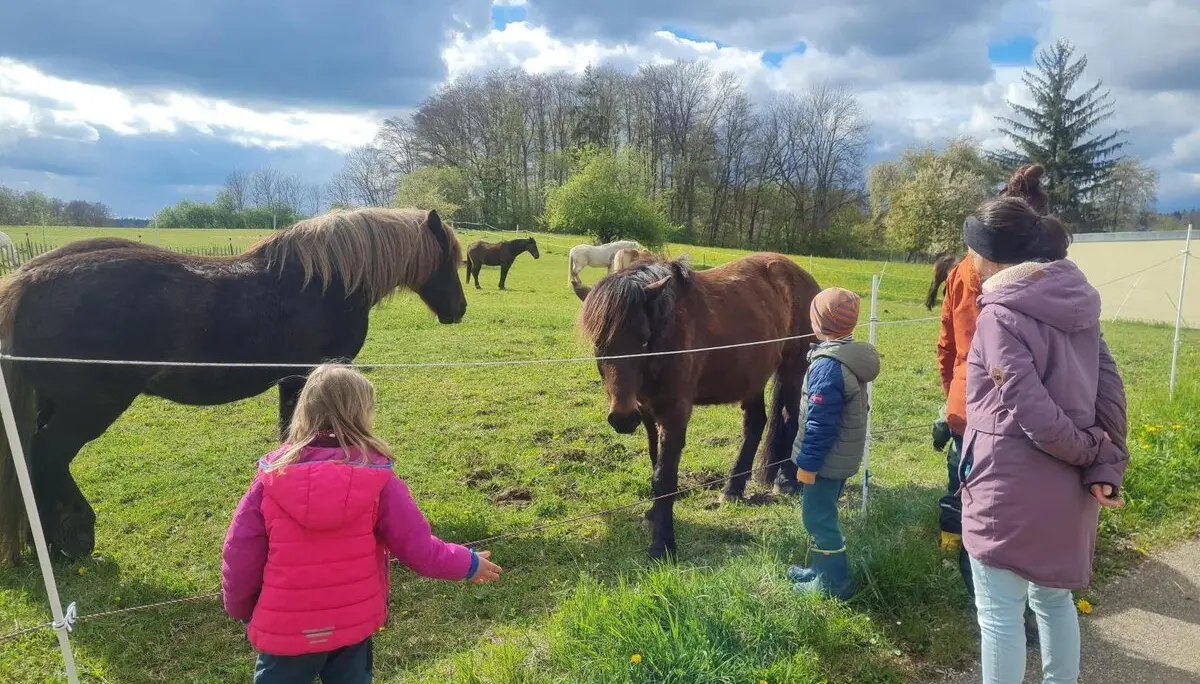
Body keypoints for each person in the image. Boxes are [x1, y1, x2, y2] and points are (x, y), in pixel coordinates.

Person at [221, 364, 502, 684]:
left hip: (285, 631)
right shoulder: (378, 480)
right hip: (351, 625)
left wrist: (241, 608)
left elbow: (239, 555)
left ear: (305, 411)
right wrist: (468, 562)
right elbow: (420, 548)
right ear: (362, 415)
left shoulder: (270, 479)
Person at [958, 197, 1129, 684]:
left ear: (990, 256)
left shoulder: (999, 315)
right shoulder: (1079, 305)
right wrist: (1102, 464)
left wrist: (1092, 453)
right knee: (1054, 600)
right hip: (1069, 489)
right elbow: (1110, 391)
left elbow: (1030, 410)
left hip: (1007, 489)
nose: (969, 260)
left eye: (971, 249)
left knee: (999, 615)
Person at [934, 164, 1048, 646]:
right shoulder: (1048, 277)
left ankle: (989, 607)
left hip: (971, 405)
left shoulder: (964, 271)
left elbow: (948, 346)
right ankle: (1022, 609)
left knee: (972, 501)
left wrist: (952, 398)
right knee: (1024, 506)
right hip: (1034, 410)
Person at [785, 287, 880, 599]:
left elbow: (820, 424)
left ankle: (833, 586)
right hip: (841, 456)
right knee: (823, 514)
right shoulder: (847, 356)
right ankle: (819, 570)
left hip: (825, 460)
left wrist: (808, 465)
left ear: (818, 323)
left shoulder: (827, 366)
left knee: (818, 519)